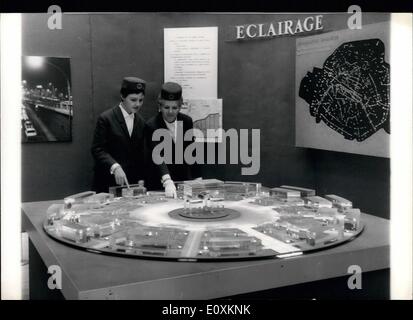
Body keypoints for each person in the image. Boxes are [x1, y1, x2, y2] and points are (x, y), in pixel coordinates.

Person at [91, 77, 148, 193]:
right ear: (122, 96)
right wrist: (115, 166)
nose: (138, 104)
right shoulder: (106, 118)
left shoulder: (141, 122)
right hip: (106, 184)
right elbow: (97, 149)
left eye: (141, 100)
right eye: (133, 100)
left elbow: (140, 155)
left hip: (130, 185)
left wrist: (141, 179)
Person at [146, 82, 201, 197]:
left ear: (180, 107)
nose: (170, 112)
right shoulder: (152, 125)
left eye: (174, 107)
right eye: (166, 107)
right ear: (159, 106)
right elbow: (158, 156)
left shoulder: (186, 121)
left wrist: (197, 178)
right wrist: (167, 181)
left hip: (183, 182)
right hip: (160, 183)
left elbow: (191, 151)